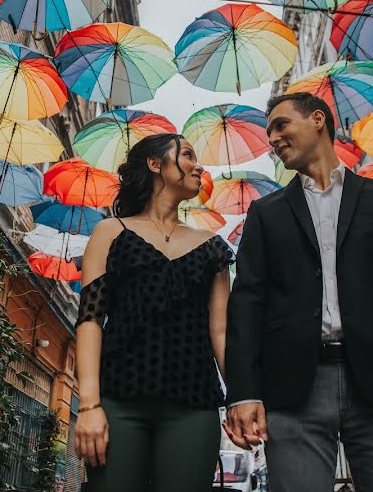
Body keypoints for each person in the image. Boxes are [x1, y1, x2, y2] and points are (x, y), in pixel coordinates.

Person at [224, 93, 373, 491]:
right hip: (294, 389)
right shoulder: (266, 214)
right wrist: (243, 393)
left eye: (281, 125)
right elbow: (247, 305)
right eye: (269, 132)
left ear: (318, 120)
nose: (274, 138)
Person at [73, 133, 234, 492]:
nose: (199, 165)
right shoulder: (110, 232)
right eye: (188, 155)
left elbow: (221, 333)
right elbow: (90, 319)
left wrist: (242, 397)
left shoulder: (212, 249)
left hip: (193, 405)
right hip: (118, 401)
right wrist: (89, 406)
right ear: (155, 164)